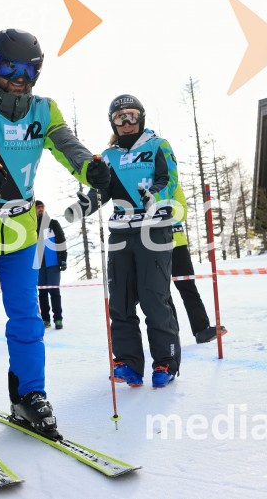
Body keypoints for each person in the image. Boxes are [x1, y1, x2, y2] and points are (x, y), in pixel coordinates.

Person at [0, 28, 110, 442]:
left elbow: (68, 146)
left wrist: (91, 170)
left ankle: (29, 396)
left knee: (27, 319)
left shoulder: (43, 109)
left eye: (30, 69)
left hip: (19, 234)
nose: (19, 77)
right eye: (9, 67)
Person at [65, 94, 182, 388]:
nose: (126, 122)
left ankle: (165, 362)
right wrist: (82, 206)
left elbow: (170, 180)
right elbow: (102, 191)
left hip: (153, 228)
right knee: (121, 301)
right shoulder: (108, 156)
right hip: (120, 231)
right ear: (112, 122)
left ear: (141, 117)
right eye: (120, 117)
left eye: (131, 115)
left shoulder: (158, 145)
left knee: (154, 298)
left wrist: (153, 195)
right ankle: (128, 363)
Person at [170, 185, 227, 344]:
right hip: (152, 244)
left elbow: (181, 213)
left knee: (188, 287)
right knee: (161, 293)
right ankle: (169, 335)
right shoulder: (145, 182)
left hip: (177, 244)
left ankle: (201, 330)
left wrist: (159, 213)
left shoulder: (173, 185)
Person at [35, 200, 67, 330]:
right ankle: (45, 320)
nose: (40, 209)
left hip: (53, 263)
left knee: (54, 291)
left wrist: (63, 259)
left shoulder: (53, 223)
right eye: (38, 207)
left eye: (42, 207)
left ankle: (58, 319)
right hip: (38, 265)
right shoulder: (31, 226)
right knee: (42, 293)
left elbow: (61, 241)